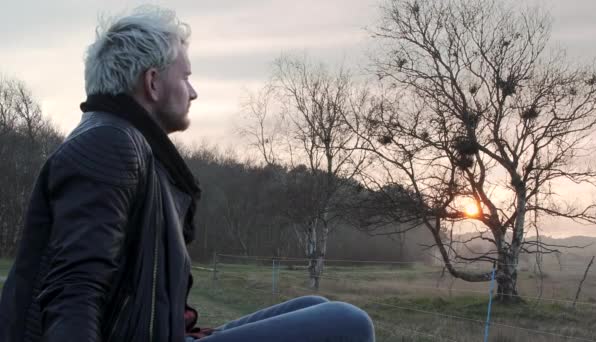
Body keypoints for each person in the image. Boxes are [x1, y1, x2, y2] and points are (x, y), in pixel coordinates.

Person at [0, 5, 375, 342]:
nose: (193, 92)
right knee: (347, 323)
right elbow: (74, 288)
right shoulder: (108, 144)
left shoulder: (128, 143)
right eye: (186, 77)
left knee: (313, 305)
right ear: (152, 83)